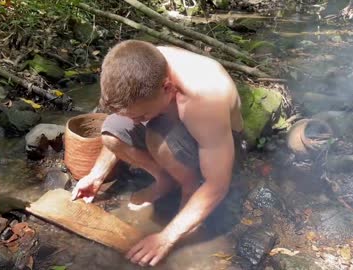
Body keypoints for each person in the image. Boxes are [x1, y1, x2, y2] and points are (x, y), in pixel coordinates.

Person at [71, 39, 244, 267]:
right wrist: (96, 175)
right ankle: (165, 179)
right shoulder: (142, 63)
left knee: (156, 136)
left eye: (140, 116)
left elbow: (217, 184)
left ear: (167, 87)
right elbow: (126, 119)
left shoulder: (206, 97)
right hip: (170, 118)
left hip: (218, 140)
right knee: (111, 132)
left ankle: (188, 186)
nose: (135, 123)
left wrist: (166, 238)